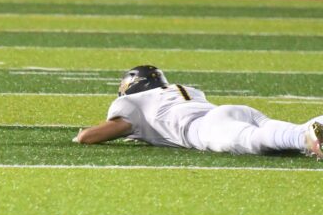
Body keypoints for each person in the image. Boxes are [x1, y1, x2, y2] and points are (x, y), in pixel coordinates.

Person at [74, 65, 323, 159]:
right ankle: (312, 129)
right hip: (229, 111)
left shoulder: (134, 102)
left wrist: (82, 135)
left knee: (255, 142)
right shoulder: (180, 90)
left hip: (204, 128)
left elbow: (95, 136)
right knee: (279, 129)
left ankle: (305, 137)